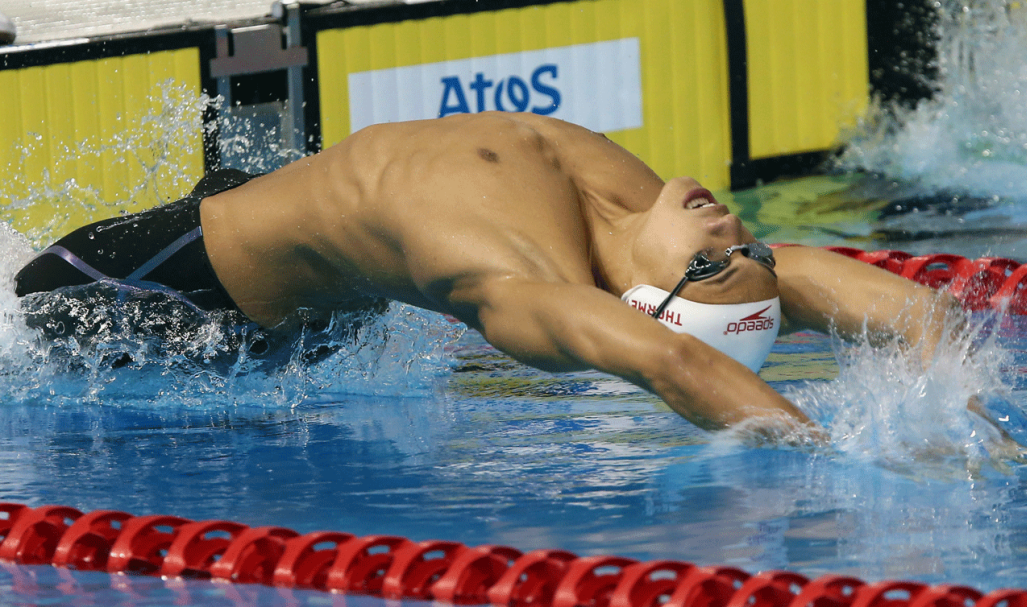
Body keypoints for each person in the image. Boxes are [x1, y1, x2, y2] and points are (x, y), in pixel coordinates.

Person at [13, 112, 959, 436]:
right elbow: (911, 313)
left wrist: (822, 456)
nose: (735, 230)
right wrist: (949, 395)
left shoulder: (516, 281)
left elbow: (677, 365)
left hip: (170, 284)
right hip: (301, 280)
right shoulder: (642, 216)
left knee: (19, 325)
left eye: (713, 263)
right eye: (748, 252)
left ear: (650, 305)